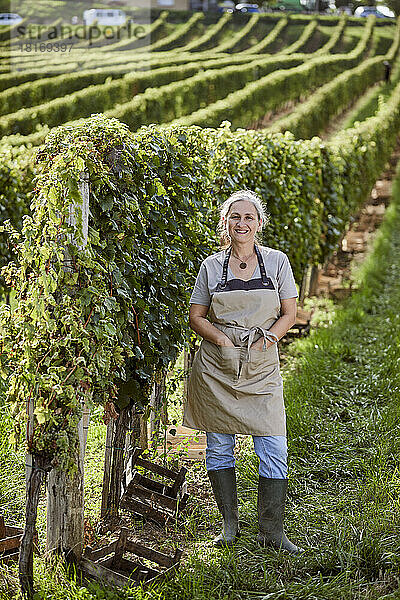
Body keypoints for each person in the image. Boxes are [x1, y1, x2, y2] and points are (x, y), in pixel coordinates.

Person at [183, 189, 300, 553]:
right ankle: (229, 526)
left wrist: (268, 341)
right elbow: (196, 316)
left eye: (249, 217)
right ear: (225, 224)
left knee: (273, 444)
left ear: (259, 223)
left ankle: (272, 530)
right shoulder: (210, 267)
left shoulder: (277, 262)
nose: (242, 223)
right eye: (235, 217)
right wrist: (220, 339)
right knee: (219, 446)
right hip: (218, 366)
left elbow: (289, 313)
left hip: (262, 364)